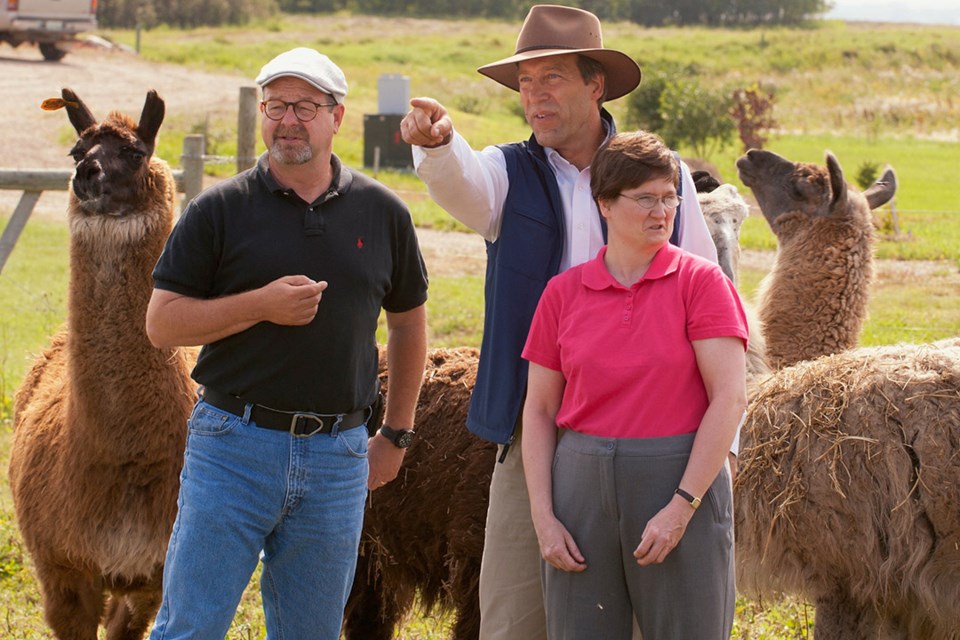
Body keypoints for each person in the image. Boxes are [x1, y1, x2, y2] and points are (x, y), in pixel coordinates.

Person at [400, 5, 721, 639]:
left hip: (648, 430)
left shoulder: (662, 180)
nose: (533, 96)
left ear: (595, 86)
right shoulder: (504, 173)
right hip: (536, 424)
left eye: (550, 79)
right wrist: (437, 144)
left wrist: (712, 457)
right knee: (515, 614)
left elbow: (710, 302)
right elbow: (457, 181)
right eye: (524, 83)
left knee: (631, 616)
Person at [144, 47, 428, 639]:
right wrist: (259, 306)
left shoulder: (383, 213)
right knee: (190, 628)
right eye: (275, 105)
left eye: (304, 105)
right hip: (232, 446)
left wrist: (396, 434)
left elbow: (407, 323)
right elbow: (162, 323)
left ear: (337, 116)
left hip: (337, 456)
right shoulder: (219, 210)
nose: (287, 120)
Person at [522, 130, 748, 639]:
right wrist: (544, 517)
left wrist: (681, 507)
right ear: (604, 203)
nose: (662, 211)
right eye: (645, 198)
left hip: (678, 481)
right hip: (578, 489)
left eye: (670, 198)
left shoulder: (702, 283)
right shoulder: (563, 294)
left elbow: (729, 399)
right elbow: (538, 410)